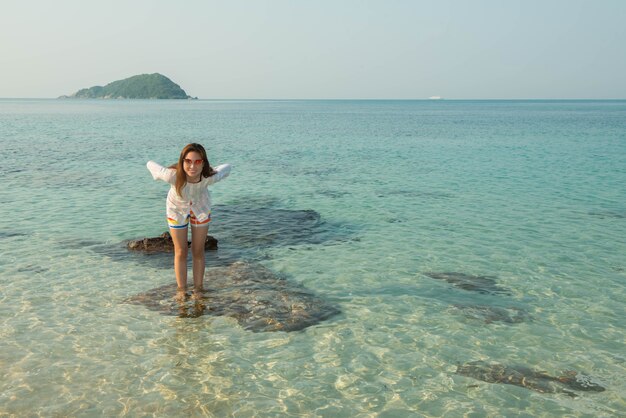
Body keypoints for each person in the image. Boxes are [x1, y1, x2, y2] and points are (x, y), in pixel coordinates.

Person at [147, 143, 231, 300]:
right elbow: (150, 164)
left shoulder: (208, 178)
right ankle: (181, 290)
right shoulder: (172, 176)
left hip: (201, 209)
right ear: (182, 162)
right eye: (188, 161)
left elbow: (227, 167)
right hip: (176, 210)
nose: (192, 166)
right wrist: (166, 170)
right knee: (180, 251)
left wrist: (211, 169)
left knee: (198, 250)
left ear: (203, 163)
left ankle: (198, 289)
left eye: (198, 162)